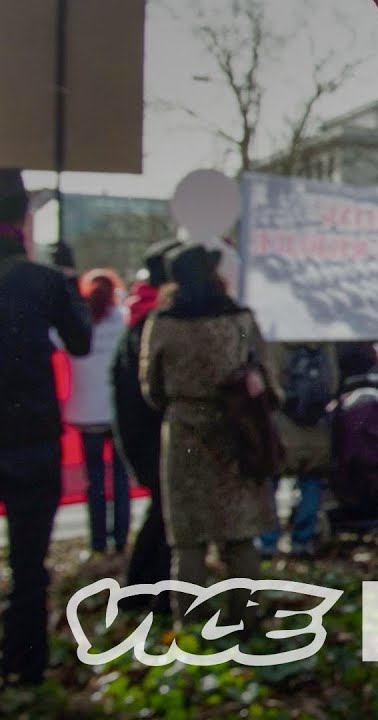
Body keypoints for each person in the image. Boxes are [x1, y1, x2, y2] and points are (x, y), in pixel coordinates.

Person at [140, 243, 278, 622]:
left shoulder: (163, 323)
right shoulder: (241, 319)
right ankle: (245, 618)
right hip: (238, 429)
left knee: (188, 537)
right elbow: (268, 378)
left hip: (184, 431)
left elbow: (150, 388)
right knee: (240, 533)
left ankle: (191, 625)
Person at [0, 168, 92, 685]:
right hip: (31, 439)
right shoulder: (42, 281)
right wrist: (68, 280)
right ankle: (25, 667)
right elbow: (79, 341)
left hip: (29, 436)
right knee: (30, 565)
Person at [113, 240, 183, 609]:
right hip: (153, 435)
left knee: (161, 513)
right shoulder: (154, 323)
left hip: (141, 432)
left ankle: (144, 592)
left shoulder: (143, 317)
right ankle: (142, 594)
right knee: (163, 515)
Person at [65, 268, 132, 554]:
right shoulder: (122, 320)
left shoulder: (78, 322)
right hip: (116, 412)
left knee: (93, 480)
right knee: (120, 479)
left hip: (85, 412)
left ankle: (97, 542)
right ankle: (120, 539)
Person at [257, 341, 339, 558]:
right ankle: (302, 540)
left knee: (271, 482)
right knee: (311, 482)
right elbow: (332, 384)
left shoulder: (276, 342)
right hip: (316, 429)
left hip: (281, 428)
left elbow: (271, 385)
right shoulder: (323, 344)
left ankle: (268, 541)